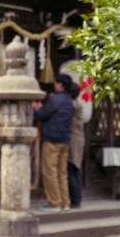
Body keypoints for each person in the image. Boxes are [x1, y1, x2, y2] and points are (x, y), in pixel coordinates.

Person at [33, 72, 75, 212]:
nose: (55, 85)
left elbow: (40, 115)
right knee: (62, 173)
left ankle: (55, 203)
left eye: (56, 83)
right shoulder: (69, 101)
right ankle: (65, 202)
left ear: (60, 85)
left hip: (52, 139)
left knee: (50, 172)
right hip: (65, 140)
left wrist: (36, 108)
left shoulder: (54, 100)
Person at [67, 81, 85, 208]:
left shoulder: (72, 105)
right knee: (75, 168)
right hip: (78, 138)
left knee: (72, 168)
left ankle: (75, 197)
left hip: (73, 138)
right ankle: (77, 196)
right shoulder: (78, 104)